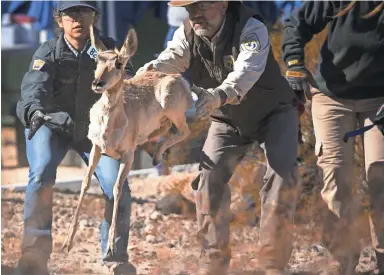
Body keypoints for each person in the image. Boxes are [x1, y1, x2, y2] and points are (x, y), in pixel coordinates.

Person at [138, 1, 300, 274]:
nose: (196, 14)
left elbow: (245, 72)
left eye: (202, 5)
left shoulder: (251, 28)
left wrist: (217, 95)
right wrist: (143, 75)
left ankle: (273, 263)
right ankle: (213, 261)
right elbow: (171, 59)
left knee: (281, 178)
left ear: (224, 4)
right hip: (227, 118)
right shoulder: (187, 32)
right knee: (208, 179)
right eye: (190, 8)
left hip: (274, 113)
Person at [15, 1, 137, 274]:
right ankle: (33, 257)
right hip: (51, 125)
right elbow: (33, 89)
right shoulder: (48, 51)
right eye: (70, 14)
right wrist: (34, 112)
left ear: (95, 17)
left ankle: (114, 258)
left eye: (84, 12)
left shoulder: (110, 50)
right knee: (41, 173)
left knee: (117, 186)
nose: (78, 20)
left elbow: (130, 83)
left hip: (97, 131)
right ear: (59, 20)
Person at [282, 1, 384, 274]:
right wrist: (294, 64)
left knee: (380, 179)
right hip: (332, 97)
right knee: (335, 180)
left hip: (379, 100)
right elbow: (295, 25)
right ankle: (344, 261)